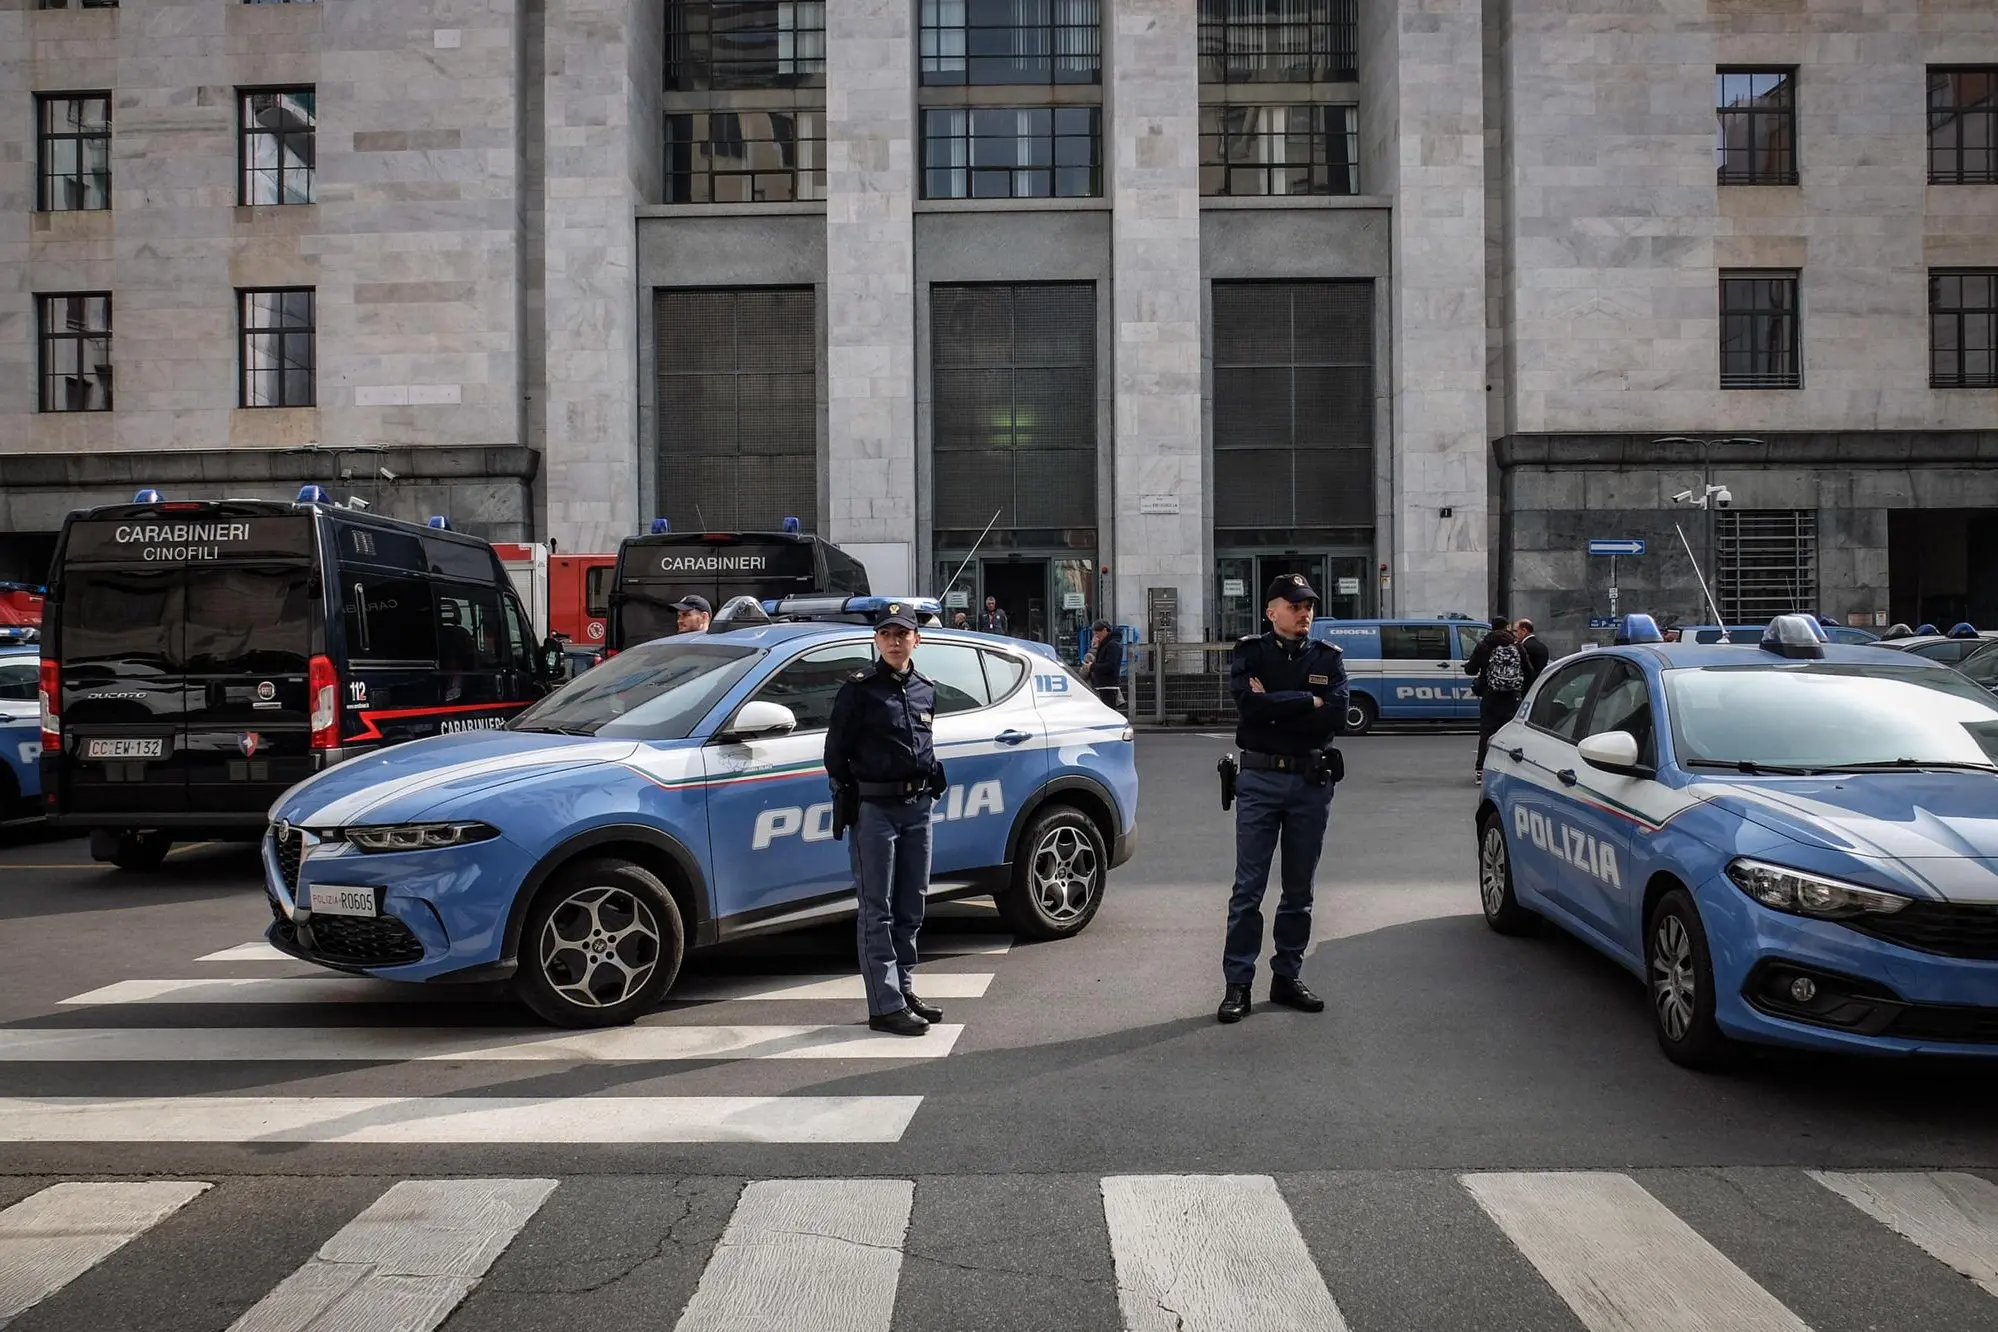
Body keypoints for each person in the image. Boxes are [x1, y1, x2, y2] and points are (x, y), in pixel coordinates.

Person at [1217, 574, 1348, 1025]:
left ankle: (1286, 976)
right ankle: (1238, 984)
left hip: (1310, 782)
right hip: (1259, 780)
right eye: (1295, 606)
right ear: (1272, 611)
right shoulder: (1250, 652)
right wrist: (1306, 701)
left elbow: (1336, 715)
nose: (1304, 613)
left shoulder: (1328, 657)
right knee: (1248, 890)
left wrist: (1279, 701)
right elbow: (1250, 709)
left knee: (1299, 890)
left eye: (1308, 605)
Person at [824, 603, 950, 1037]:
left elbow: (923, 743)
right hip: (874, 810)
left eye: (903, 634)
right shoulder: (858, 690)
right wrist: (853, 801)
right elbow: (834, 754)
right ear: (876, 640)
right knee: (876, 910)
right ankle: (885, 1005)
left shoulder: (925, 688)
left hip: (917, 809)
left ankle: (905, 989)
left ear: (918, 639)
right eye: (887, 634)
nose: (895, 641)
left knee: (911, 905)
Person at [1465, 617, 1526, 784]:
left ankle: (1481, 770)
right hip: (1512, 696)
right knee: (1511, 733)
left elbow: (1471, 669)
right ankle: (1511, 770)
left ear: (1491, 628)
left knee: (1486, 732)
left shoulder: (1484, 645)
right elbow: (1528, 669)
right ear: (1506, 627)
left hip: (1490, 695)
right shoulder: (1516, 645)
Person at [1083, 620, 1123, 707]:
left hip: (1108, 686)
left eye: (1097, 633)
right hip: (1102, 685)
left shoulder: (1112, 645)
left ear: (1104, 630)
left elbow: (1110, 665)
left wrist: (1092, 666)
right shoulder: (1105, 645)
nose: (1096, 636)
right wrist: (1096, 647)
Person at [1511, 618, 1549, 689]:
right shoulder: (1543, 646)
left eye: (1515, 631)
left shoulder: (1523, 647)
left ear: (1524, 631)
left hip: (1526, 687)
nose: (1513, 634)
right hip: (1540, 685)